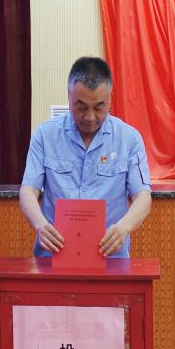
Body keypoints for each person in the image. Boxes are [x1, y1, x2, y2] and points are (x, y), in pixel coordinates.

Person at [20, 56, 151, 258]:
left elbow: (142, 196)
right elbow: (28, 191)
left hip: (110, 258)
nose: (90, 117)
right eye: (81, 107)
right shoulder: (44, 136)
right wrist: (41, 226)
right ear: (69, 97)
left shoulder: (129, 139)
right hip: (53, 257)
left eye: (99, 107)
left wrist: (123, 228)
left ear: (109, 99)